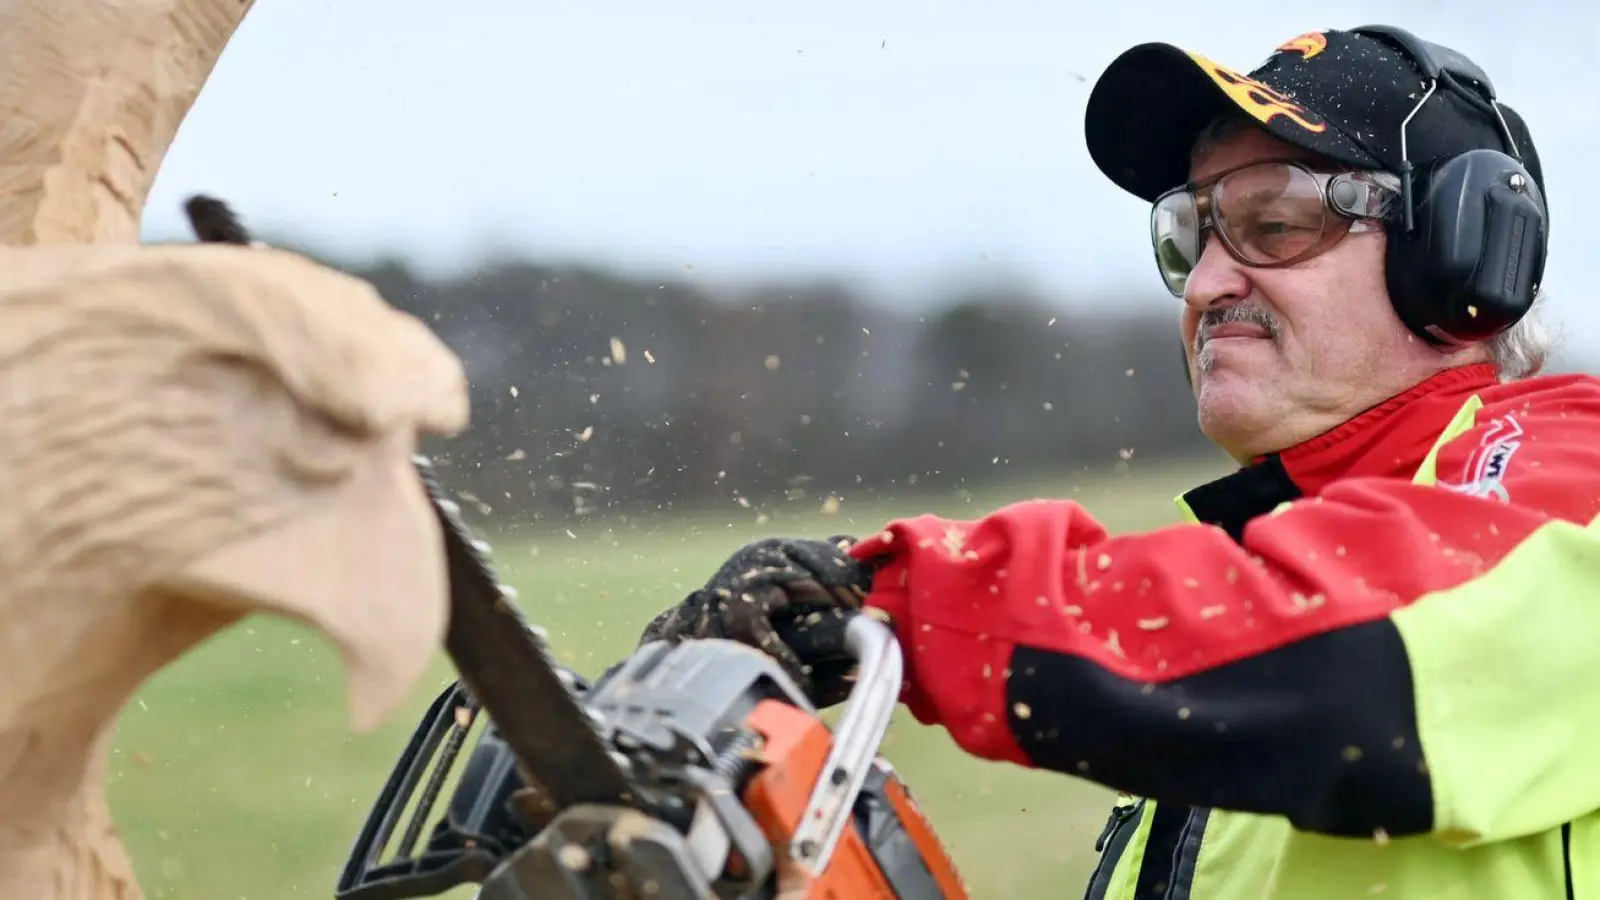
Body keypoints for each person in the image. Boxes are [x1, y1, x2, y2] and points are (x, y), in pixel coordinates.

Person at [636, 24, 1600, 899]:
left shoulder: (1577, 481)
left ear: (1470, 260)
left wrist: (893, 597)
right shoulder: (1233, 633)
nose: (1212, 282)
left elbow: (1357, 644)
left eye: (1274, 224)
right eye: (1191, 234)